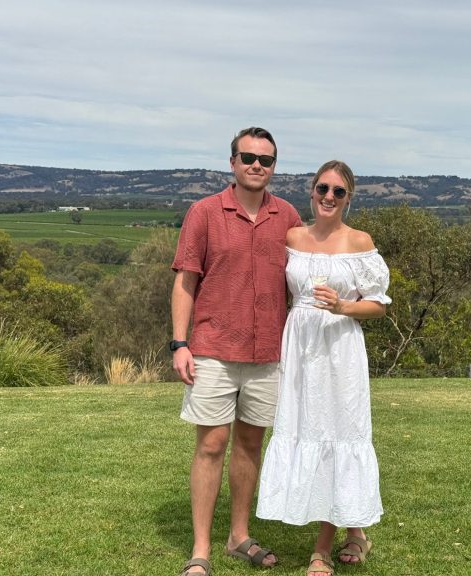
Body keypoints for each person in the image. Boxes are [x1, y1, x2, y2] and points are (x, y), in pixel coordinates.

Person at [170, 126, 302, 576]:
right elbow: (186, 281)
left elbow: (307, 273)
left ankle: (238, 536)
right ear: (232, 162)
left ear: (274, 167)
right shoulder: (204, 212)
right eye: (248, 158)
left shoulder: (287, 216)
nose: (256, 166)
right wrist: (180, 343)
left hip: (267, 352)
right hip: (212, 348)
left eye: (265, 160)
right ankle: (201, 549)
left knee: (249, 444)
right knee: (211, 444)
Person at [256, 160, 391, 576]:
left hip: (339, 350)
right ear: (312, 191)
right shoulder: (293, 237)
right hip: (300, 350)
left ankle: (322, 548)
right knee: (307, 430)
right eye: (322, 188)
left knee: (339, 434)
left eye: (338, 191)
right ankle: (357, 531)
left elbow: (379, 305)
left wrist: (343, 306)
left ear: (349, 198)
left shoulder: (359, 241)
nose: (328, 197)